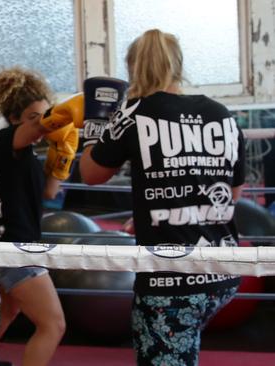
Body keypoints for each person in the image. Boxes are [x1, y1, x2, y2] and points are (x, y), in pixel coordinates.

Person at [79, 29, 245, 366]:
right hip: (224, 272)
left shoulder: (132, 114)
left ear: (133, 68)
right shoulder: (222, 114)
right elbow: (232, 193)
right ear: (179, 65)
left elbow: (90, 174)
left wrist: (95, 123)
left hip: (170, 280)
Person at [0, 67, 77, 366]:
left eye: (46, 115)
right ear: (16, 118)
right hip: (14, 248)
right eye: (35, 117)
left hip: (1, 245)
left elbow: (49, 192)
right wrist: (66, 115)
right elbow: (37, 129)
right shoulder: (8, 139)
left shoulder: (26, 152)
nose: (44, 123)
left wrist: (64, 155)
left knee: (4, 314)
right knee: (53, 324)